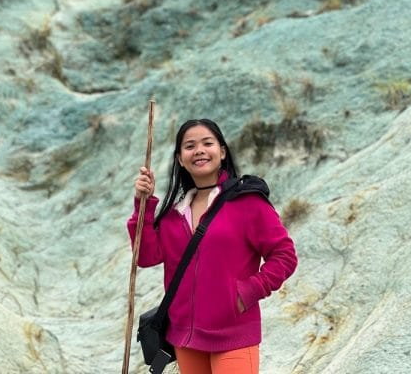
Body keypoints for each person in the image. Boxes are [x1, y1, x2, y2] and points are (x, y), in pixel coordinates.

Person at [127, 118, 298, 374]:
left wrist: (249, 291)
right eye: (189, 146)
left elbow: (284, 255)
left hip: (233, 333)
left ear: (222, 151)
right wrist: (143, 205)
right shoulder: (175, 215)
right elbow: (146, 256)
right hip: (185, 337)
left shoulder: (247, 202)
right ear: (180, 158)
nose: (199, 150)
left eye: (207, 143)